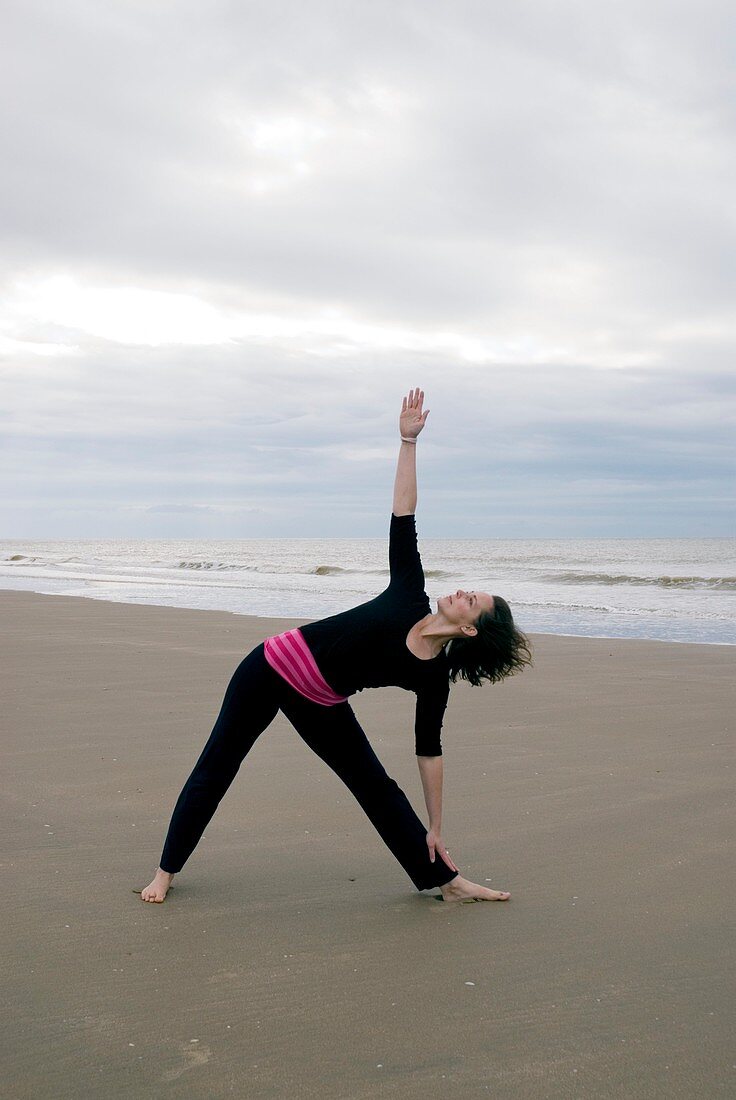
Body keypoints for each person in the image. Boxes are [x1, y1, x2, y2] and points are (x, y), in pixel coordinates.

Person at [140, 389, 532, 904]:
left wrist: (435, 826)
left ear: (471, 630)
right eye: (470, 588)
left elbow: (429, 752)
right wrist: (407, 442)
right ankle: (165, 873)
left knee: (375, 786)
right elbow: (403, 511)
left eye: (473, 600)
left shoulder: (431, 677)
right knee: (218, 764)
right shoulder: (408, 591)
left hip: (319, 700)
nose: (463, 590)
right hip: (270, 665)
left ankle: (445, 880)